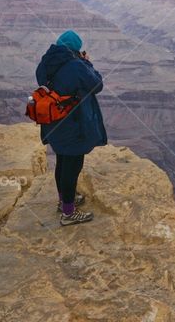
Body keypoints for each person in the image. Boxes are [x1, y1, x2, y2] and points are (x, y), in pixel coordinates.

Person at [36, 30, 107, 226]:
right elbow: (97, 84)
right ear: (76, 49)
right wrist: (87, 63)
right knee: (72, 166)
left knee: (62, 161)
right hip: (73, 124)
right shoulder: (76, 66)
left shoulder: (46, 62)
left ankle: (64, 201)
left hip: (53, 122)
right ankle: (68, 212)